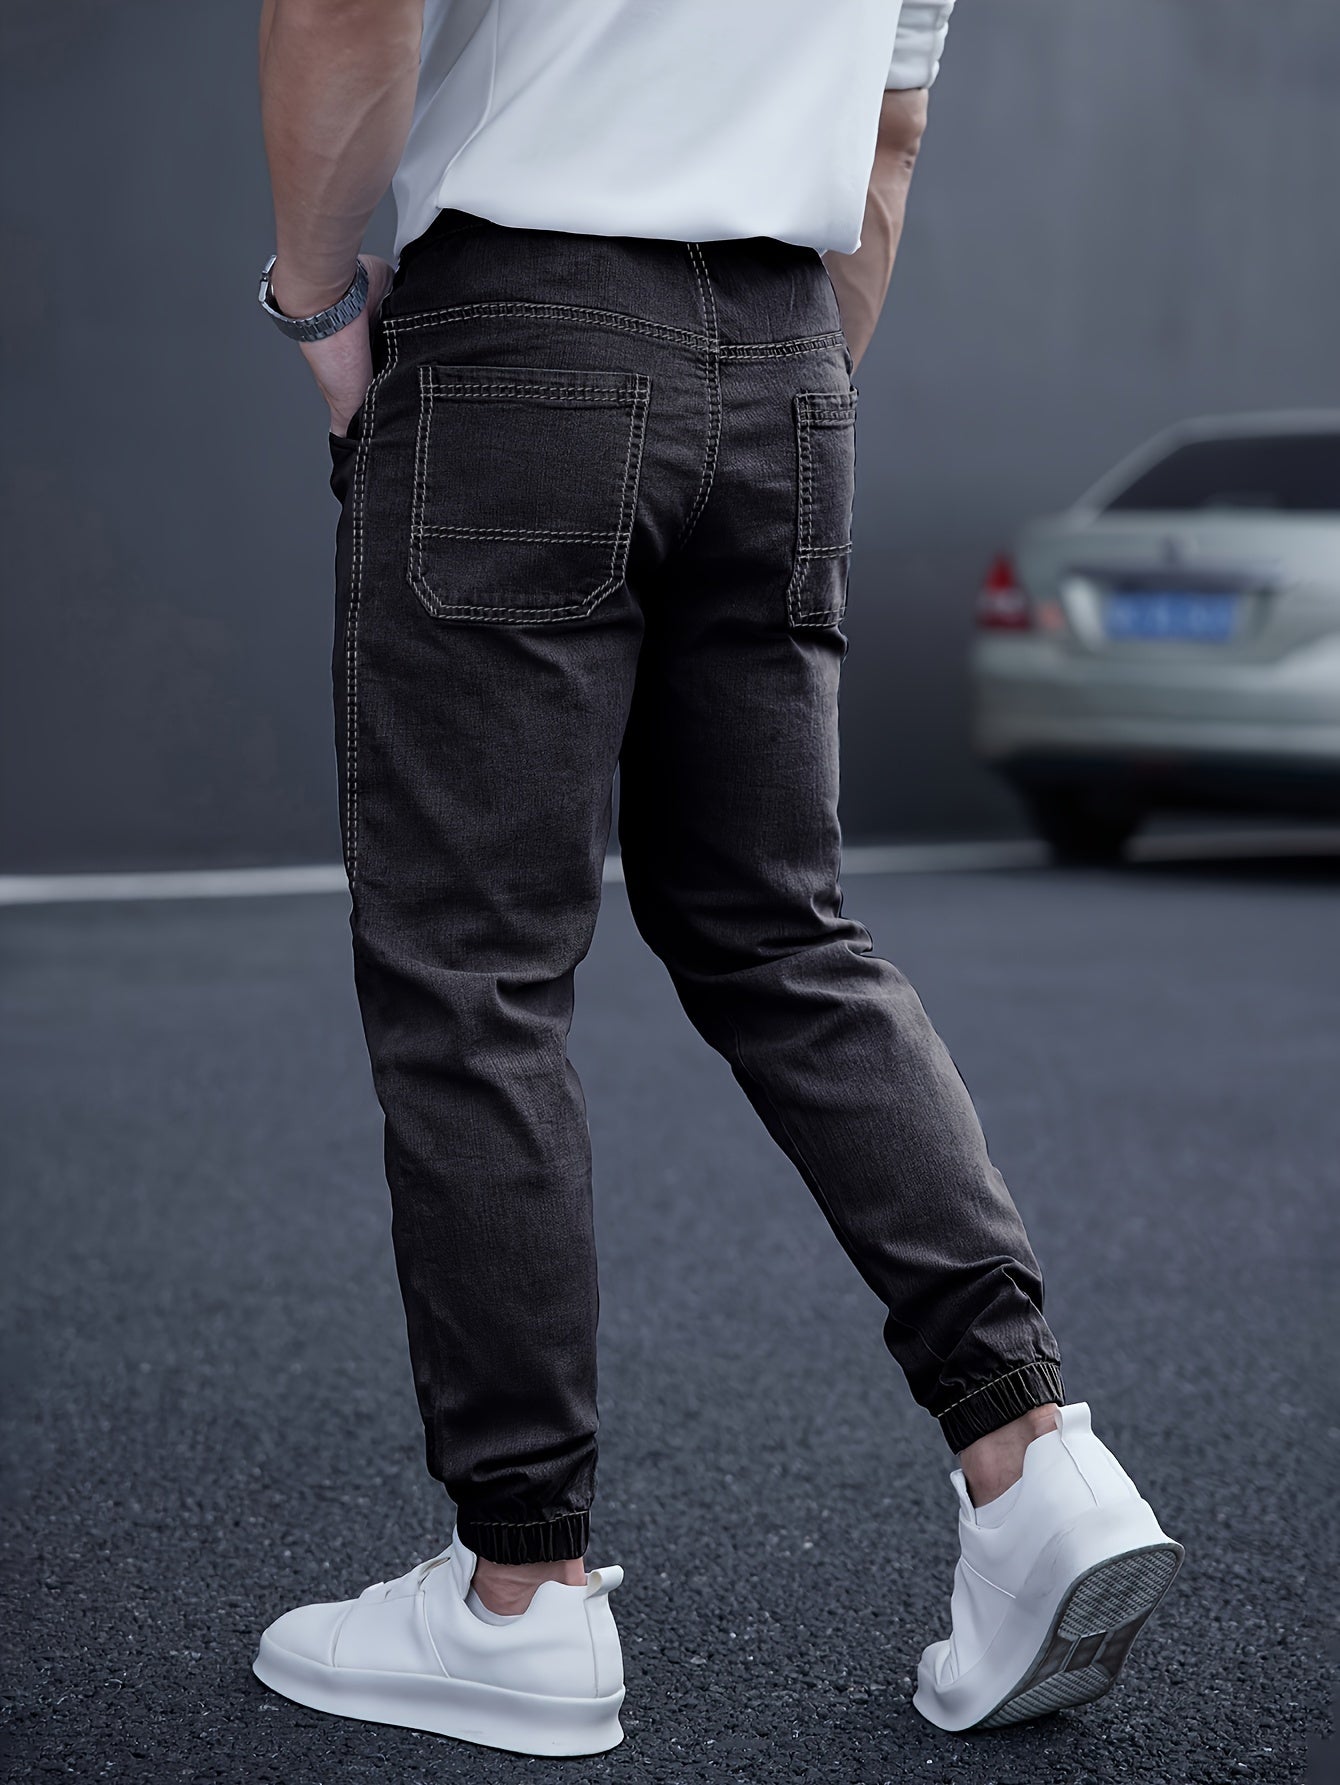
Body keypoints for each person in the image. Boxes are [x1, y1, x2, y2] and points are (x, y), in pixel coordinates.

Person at [251, 0, 1182, 1757]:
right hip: (787, 358)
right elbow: (890, 140)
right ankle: (1032, 1455)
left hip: (520, 326)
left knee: (475, 970)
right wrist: (768, 411)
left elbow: (344, 11)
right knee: (782, 930)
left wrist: (314, 300)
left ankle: (521, 1590)